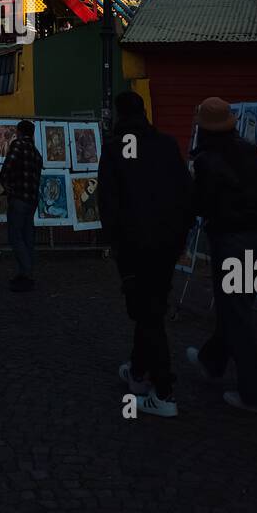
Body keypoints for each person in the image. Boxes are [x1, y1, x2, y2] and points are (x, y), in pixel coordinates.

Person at [97, 91, 195, 419]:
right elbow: (185, 194)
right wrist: (179, 238)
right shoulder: (166, 145)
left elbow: (108, 204)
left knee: (148, 313)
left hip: (135, 245)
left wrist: (115, 245)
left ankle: (163, 390)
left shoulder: (114, 150)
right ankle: (138, 372)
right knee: (150, 308)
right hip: (166, 243)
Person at [189, 97, 257, 414]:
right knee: (237, 305)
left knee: (236, 316)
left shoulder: (207, 160)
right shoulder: (251, 150)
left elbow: (201, 204)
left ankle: (254, 395)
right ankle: (211, 362)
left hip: (230, 241)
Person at [0, 119, 43, 292]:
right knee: (27, 237)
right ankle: (26, 272)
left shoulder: (17, 146)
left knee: (15, 236)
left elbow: (7, 168)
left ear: (19, 131)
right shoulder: (36, 152)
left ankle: (26, 273)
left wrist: (5, 183)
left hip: (18, 197)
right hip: (32, 199)